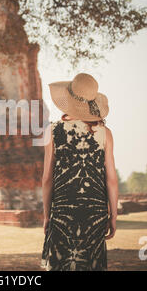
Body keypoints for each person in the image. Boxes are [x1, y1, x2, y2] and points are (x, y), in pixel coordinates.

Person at [40, 73, 119, 271]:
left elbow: (47, 179)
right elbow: (111, 180)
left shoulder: (52, 131)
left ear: (68, 99)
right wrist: (113, 215)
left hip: (63, 212)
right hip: (95, 213)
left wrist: (46, 215)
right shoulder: (105, 133)